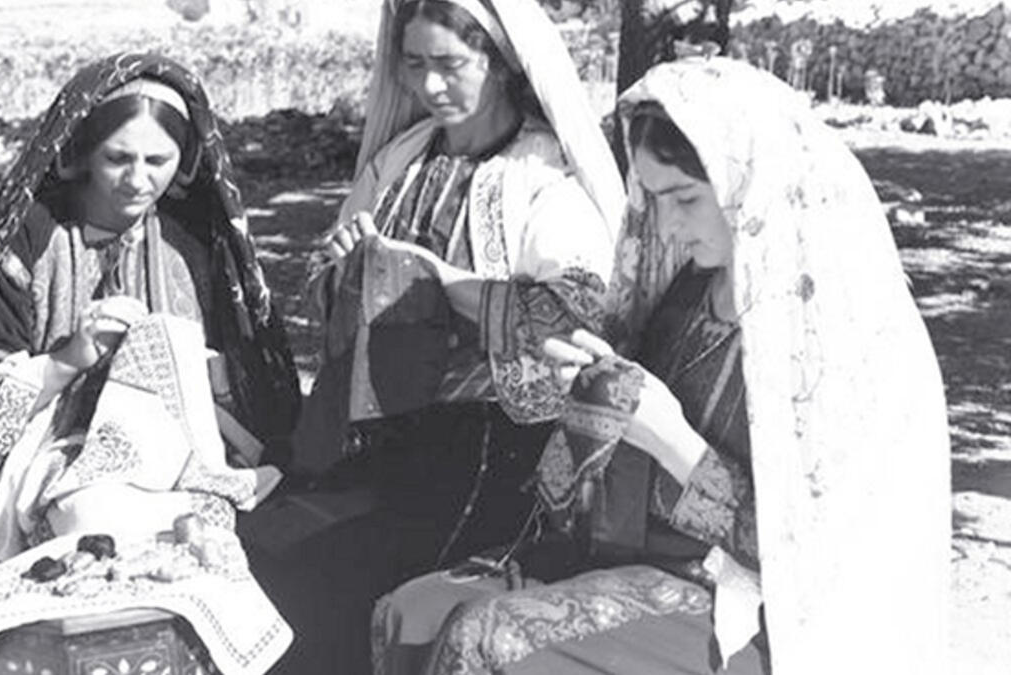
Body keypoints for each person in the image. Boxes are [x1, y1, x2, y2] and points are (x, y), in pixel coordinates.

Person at [371, 56, 952, 675]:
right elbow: (603, 457)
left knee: (486, 639)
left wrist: (671, 438)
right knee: (411, 614)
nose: (667, 224)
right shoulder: (688, 293)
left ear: (748, 187)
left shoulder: (834, 339)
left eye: (685, 198)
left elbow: (805, 559)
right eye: (652, 198)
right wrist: (589, 390)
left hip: (740, 604)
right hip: (629, 554)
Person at [237, 0, 626, 672]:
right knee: (261, 545)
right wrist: (345, 267)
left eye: (450, 65)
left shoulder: (544, 177)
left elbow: (581, 314)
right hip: (382, 436)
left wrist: (449, 287)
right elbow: (324, 290)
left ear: (501, 65)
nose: (430, 87)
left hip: (497, 447)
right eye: (414, 65)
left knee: (337, 571)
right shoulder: (400, 162)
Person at [0, 53, 301, 675]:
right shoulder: (32, 239)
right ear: (78, 157)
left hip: (184, 450)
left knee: (202, 542)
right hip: (47, 448)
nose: (138, 180)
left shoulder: (191, 244)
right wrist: (70, 357)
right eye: (117, 159)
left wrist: (191, 366)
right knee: (94, 519)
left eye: (158, 161)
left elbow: (250, 381)